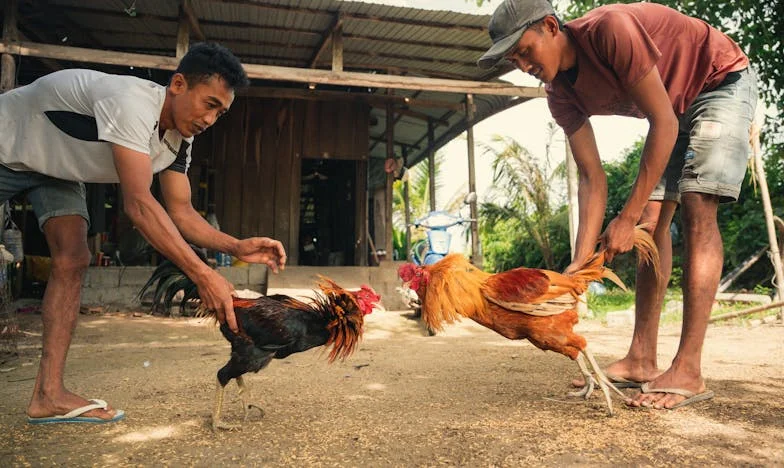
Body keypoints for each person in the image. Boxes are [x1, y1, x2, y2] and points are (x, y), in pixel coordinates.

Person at [478, 0, 756, 409]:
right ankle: (642, 357)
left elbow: (662, 122)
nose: (523, 65)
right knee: (649, 220)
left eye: (524, 50)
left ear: (551, 26)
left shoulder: (611, 30)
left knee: (698, 203)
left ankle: (689, 369)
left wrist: (623, 219)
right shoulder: (559, 94)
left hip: (719, 81)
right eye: (514, 59)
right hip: (673, 107)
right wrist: (578, 264)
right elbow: (591, 177)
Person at [0, 43, 287, 424]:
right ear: (179, 84)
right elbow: (138, 205)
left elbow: (181, 211)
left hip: (57, 169)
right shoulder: (132, 103)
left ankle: (48, 395)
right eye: (209, 103)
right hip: (9, 142)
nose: (211, 118)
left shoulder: (179, 140)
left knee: (73, 258)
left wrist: (235, 245)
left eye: (221, 112)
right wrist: (204, 274)